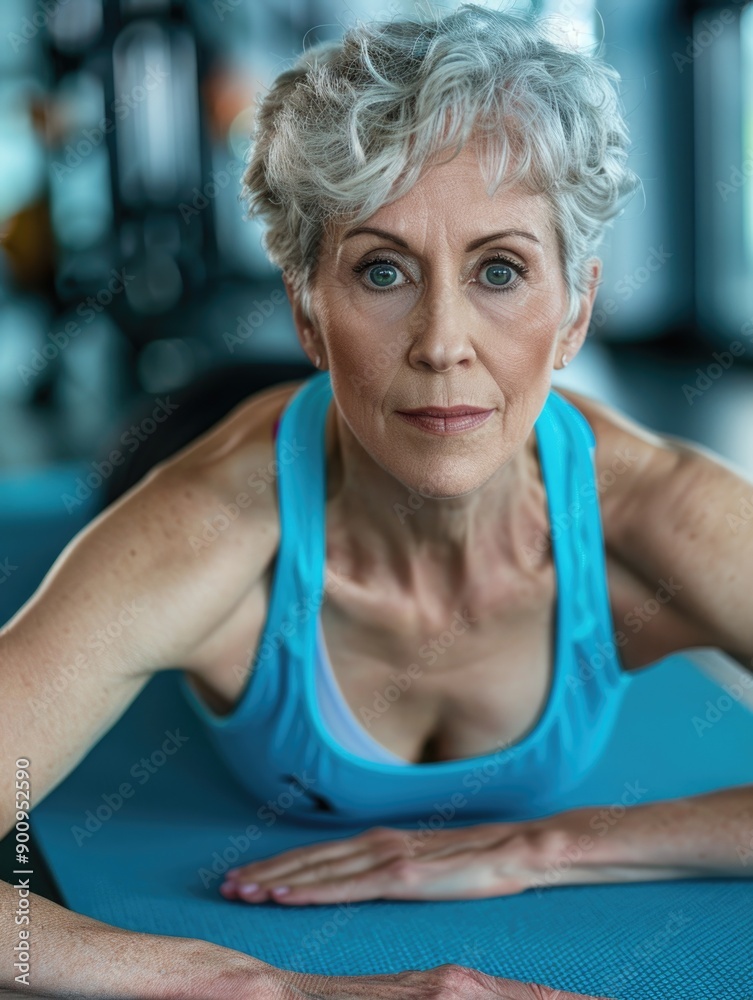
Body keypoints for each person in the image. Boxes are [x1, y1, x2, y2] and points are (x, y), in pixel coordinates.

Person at [2, 4, 752, 998]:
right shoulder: (203, 537)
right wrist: (267, 988)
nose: (443, 341)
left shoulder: (667, 515)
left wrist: (551, 846)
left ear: (575, 313)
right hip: (191, 428)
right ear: (308, 310)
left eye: (500, 271)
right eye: (381, 270)